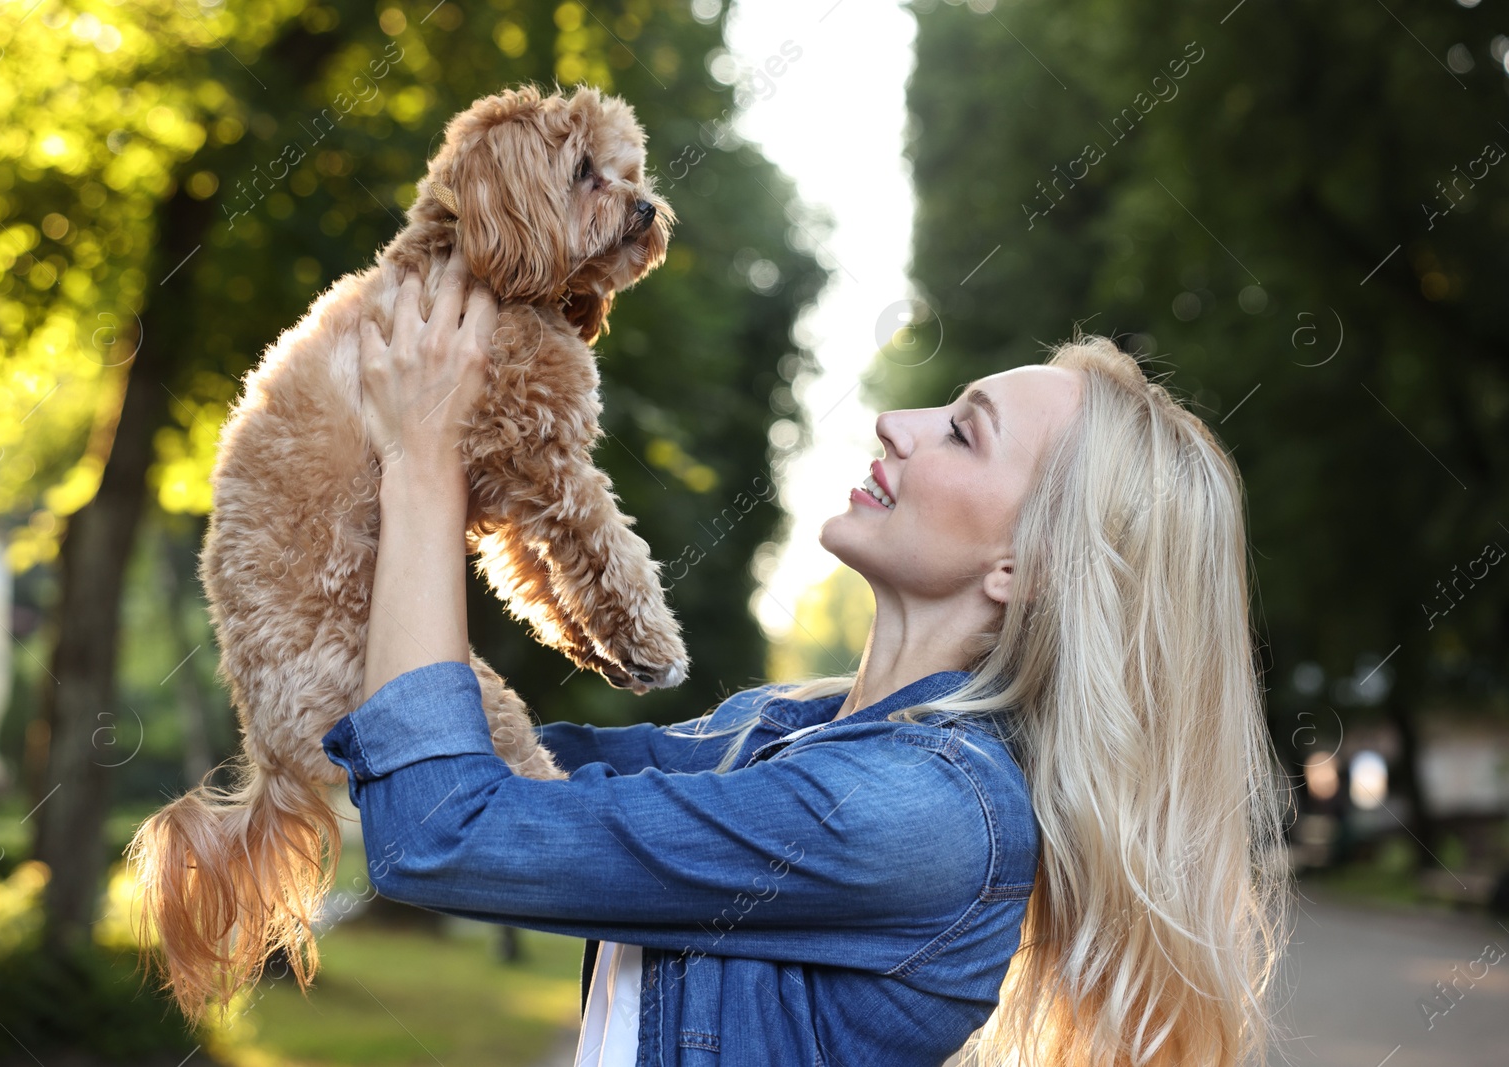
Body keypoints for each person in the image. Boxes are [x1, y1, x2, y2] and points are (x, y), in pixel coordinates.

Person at [321, 251, 1287, 1067]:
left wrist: (423, 456)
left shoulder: (923, 815)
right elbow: (485, 776)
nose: (897, 425)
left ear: (1023, 566)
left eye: (962, 431)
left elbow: (441, 829)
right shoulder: (785, 730)